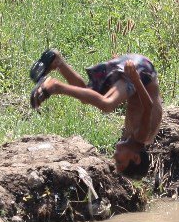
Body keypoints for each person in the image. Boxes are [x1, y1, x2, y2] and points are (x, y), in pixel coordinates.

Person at [29, 50, 163, 179]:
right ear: (136, 157)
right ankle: (55, 86)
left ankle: (57, 61)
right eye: (120, 162)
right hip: (142, 72)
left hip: (137, 70)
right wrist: (135, 78)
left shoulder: (129, 138)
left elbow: (136, 105)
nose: (114, 158)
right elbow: (148, 106)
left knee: (86, 95)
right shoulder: (142, 136)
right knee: (107, 105)